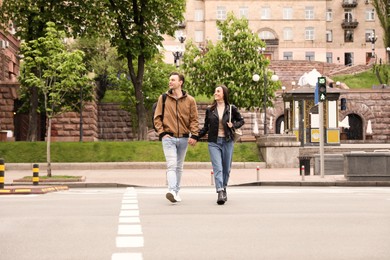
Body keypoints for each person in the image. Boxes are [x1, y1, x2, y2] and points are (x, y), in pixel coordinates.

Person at [154, 72, 199, 203]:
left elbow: (194, 119)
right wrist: (162, 133)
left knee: (179, 167)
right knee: (171, 165)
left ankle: (176, 191)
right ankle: (172, 190)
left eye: (173, 80)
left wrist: (194, 134)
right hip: (168, 137)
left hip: (184, 138)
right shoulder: (163, 98)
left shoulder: (190, 100)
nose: (170, 82)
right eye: (169, 80)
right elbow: (157, 117)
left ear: (180, 82)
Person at [199, 85, 244, 205]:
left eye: (218, 91)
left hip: (227, 141)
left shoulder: (231, 108)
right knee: (217, 168)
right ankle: (219, 191)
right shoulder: (210, 110)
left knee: (226, 169)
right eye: (215, 91)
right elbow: (205, 127)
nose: (215, 93)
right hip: (214, 142)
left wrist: (233, 125)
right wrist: (195, 136)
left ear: (224, 93)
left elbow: (241, 121)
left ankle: (223, 188)